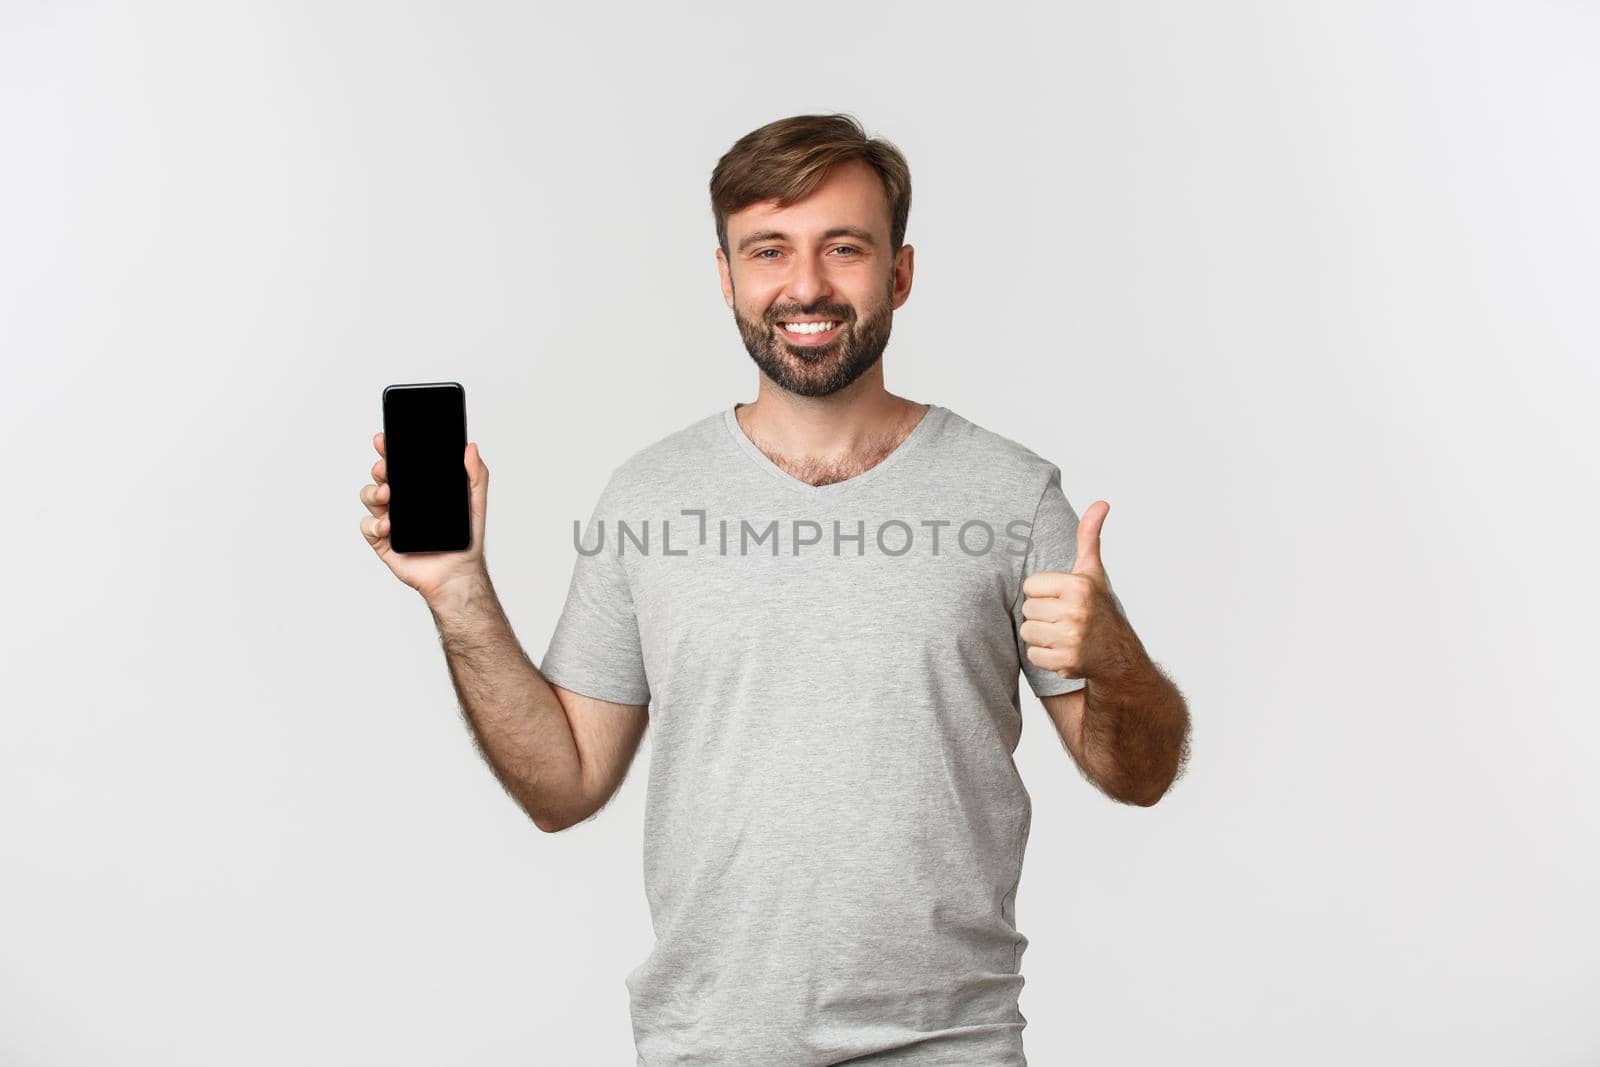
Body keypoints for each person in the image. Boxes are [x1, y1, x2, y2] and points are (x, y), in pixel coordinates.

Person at [358, 113, 1190, 1066]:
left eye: (844, 248)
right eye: (769, 250)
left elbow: (1142, 773)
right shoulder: (647, 498)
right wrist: (458, 589)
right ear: (726, 277)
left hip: (949, 1045)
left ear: (900, 273)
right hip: (709, 1046)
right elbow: (563, 784)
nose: (806, 286)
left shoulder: (1011, 494)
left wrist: (1114, 655)